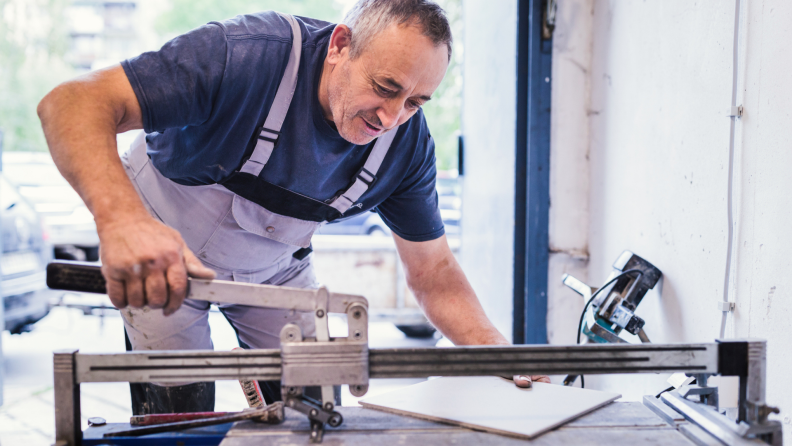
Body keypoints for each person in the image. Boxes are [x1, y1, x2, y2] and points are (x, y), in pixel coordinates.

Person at [38, 0, 550, 413]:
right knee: (182, 408)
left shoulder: (406, 148)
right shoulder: (247, 57)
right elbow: (70, 102)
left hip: (274, 271)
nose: (393, 116)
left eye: (416, 102)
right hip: (162, 245)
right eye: (385, 88)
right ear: (341, 46)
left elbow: (433, 270)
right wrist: (122, 223)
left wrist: (492, 351)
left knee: (312, 408)